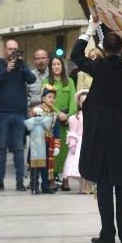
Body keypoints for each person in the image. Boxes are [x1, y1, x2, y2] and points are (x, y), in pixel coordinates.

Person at [74, 20, 122, 243]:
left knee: (104, 183)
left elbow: (75, 55)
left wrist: (90, 30)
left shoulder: (99, 66)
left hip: (102, 131)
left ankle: (108, 234)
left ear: (103, 48)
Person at [0, 39, 36, 190]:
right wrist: (6, 70)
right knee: (1, 147)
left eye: (15, 49)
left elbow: (32, 79)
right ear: (5, 50)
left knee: (18, 148)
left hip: (19, 113)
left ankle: (20, 181)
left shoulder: (22, 65)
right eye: (10, 49)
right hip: (3, 112)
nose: (12, 52)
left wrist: (22, 66)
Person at [47, 56, 77, 188]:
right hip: (52, 119)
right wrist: (58, 113)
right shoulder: (46, 81)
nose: (56, 66)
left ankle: (65, 180)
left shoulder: (69, 81)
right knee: (53, 150)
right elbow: (46, 100)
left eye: (58, 64)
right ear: (50, 67)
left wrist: (69, 115)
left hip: (67, 121)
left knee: (66, 151)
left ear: (62, 66)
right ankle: (52, 179)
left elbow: (74, 99)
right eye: (53, 64)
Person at [23, 96, 57, 194]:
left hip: (48, 141)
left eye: (54, 97)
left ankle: (45, 186)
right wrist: (33, 115)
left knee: (46, 165)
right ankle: (34, 185)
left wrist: (56, 145)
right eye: (49, 97)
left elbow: (56, 129)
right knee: (36, 165)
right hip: (37, 141)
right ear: (43, 98)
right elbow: (28, 124)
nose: (52, 99)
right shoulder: (36, 109)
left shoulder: (54, 113)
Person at [64, 90, 88, 193]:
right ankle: (82, 187)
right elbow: (73, 132)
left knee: (91, 164)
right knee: (81, 164)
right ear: (79, 103)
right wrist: (72, 144)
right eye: (83, 102)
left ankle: (88, 186)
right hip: (80, 144)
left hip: (91, 142)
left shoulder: (94, 115)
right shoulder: (75, 117)